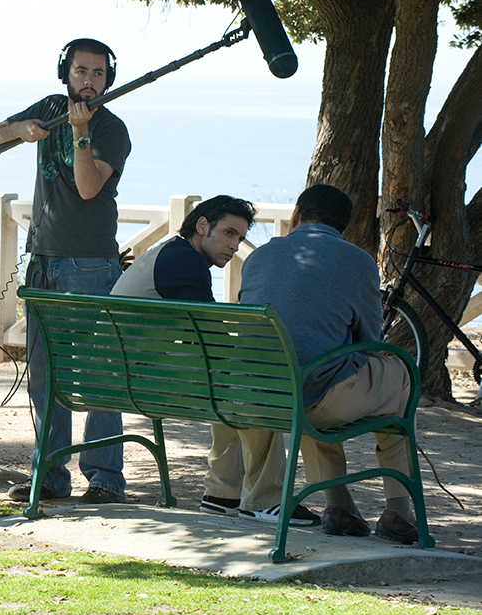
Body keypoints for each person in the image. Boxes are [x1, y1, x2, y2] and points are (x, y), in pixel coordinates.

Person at [0, 38, 131, 504]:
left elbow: (89, 189)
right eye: (82, 71)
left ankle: (105, 478)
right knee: (45, 376)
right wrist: (21, 129)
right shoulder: (49, 106)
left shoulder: (112, 128)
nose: (90, 81)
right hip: (43, 260)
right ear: (66, 72)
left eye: (99, 74)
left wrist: (81, 134)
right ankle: (50, 476)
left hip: (89, 264)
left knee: (99, 375)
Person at [112, 196, 320, 527]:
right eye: (228, 233)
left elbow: (208, 340)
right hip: (141, 377)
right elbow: (213, 339)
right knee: (256, 387)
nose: (234, 245)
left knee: (227, 381)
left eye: (239, 237)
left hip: (118, 371)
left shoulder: (172, 253)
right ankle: (266, 499)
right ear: (202, 226)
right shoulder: (185, 263)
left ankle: (222, 495)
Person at [239, 184, 419, 544]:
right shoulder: (356, 260)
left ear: (296, 215)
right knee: (400, 374)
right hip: (317, 397)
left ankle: (339, 506)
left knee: (315, 378)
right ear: (344, 227)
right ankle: (399, 510)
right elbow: (370, 341)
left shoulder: (258, 257)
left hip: (264, 396)